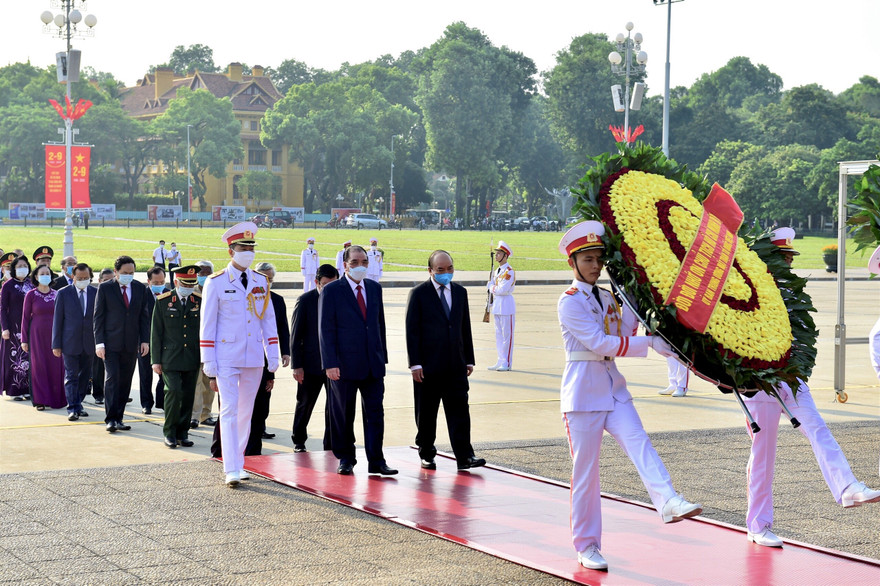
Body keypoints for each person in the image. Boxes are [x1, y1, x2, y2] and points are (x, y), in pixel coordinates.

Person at [557, 221, 702, 571]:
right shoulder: (569, 302)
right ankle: (587, 545)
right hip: (583, 396)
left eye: (599, 259)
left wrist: (635, 298)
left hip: (613, 389)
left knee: (640, 443)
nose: (595, 265)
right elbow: (600, 343)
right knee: (586, 474)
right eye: (588, 259)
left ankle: (667, 500)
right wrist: (649, 343)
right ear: (572, 263)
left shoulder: (607, 297)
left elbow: (621, 330)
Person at [742, 227, 880, 548]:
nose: (789, 263)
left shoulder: (792, 294)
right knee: (763, 454)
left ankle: (847, 487)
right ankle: (758, 525)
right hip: (758, 383)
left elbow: (802, 335)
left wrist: (798, 368)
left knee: (817, 428)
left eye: (790, 257)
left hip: (791, 379)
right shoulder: (748, 292)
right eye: (783, 257)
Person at [199, 222, 280, 487]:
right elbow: (207, 323)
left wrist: (273, 352)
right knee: (229, 409)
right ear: (231, 251)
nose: (248, 253)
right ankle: (231, 467)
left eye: (251, 248)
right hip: (226, 355)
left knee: (246, 411)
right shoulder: (216, 282)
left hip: (254, 355)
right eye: (243, 248)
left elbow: (268, 319)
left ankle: (239, 461)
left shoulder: (260, 281)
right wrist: (208, 359)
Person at [319, 245, 396, 476]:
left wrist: (382, 357)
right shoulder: (332, 290)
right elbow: (325, 329)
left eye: (364, 262)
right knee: (343, 414)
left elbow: (379, 324)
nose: (360, 266)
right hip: (343, 365)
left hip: (373, 363)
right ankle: (346, 458)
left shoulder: (374, 287)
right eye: (354, 262)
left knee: (375, 414)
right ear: (345, 265)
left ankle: (377, 460)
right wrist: (330, 363)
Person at [405, 250, 484, 471]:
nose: (446, 273)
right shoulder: (418, 294)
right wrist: (415, 364)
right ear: (430, 270)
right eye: (440, 269)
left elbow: (464, 327)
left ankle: (465, 456)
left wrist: (469, 359)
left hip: (456, 365)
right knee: (427, 413)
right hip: (428, 367)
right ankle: (426, 453)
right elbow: (412, 331)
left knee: (460, 412)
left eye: (450, 268)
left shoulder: (460, 292)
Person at [94, 255, 151, 433]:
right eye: (125, 272)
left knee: (125, 381)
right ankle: (111, 418)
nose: (129, 276)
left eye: (132, 273)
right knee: (112, 379)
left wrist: (144, 340)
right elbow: (98, 317)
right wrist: (99, 343)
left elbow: (144, 316)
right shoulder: (105, 288)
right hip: (110, 343)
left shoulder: (140, 288)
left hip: (131, 343)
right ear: (116, 271)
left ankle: (119, 417)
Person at [152, 266, 202, 449]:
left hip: (192, 356)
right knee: (173, 392)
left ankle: (183, 433)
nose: (188, 288)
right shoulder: (164, 301)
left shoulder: (199, 301)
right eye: (185, 284)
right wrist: (155, 360)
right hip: (170, 357)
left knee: (188, 396)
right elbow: (156, 332)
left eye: (191, 284)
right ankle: (169, 433)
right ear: (176, 282)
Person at [290, 263, 337, 452]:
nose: (329, 288)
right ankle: (299, 440)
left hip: (334, 364)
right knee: (305, 403)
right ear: (317, 282)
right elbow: (295, 335)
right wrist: (297, 365)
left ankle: (330, 444)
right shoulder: (306, 301)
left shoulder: (340, 299)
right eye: (325, 284)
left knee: (334, 407)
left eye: (333, 284)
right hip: (310, 365)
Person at [248, 262, 291, 448]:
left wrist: (286, 352)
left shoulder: (277, 300)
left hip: (268, 357)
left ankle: (260, 426)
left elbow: (283, 328)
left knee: (264, 395)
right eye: (264, 279)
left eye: (270, 279)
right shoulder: (247, 298)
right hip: (248, 355)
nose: (267, 283)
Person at [51, 263, 97, 421]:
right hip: (69, 342)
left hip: (90, 342)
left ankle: (78, 403)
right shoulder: (63, 293)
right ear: (73, 277)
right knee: (71, 375)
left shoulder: (95, 293)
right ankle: (72, 408)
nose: (83, 280)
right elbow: (57, 320)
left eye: (86, 278)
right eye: (80, 278)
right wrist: (56, 344)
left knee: (85, 376)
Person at [21, 265, 66, 411]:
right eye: (42, 273)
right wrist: (24, 340)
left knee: (56, 366)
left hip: (55, 335)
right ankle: (40, 400)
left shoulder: (57, 294)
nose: (45, 276)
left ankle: (55, 399)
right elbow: (25, 318)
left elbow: (63, 316)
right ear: (36, 277)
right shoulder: (31, 295)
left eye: (48, 273)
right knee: (39, 366)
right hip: (37, 336)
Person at [1, 255, 34, 401]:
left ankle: (28, 389)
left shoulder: (31, 283)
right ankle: (15, 390)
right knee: (15, 357)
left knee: (29, 357)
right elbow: (2, 308)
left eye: (25, 266)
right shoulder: (8, 285)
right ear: (13, 268)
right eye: (19, 266)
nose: (22, 269)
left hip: (30, 326)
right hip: (13, 326)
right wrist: (4, 328)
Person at [138, 266, 169, 414]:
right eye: (156, 282)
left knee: (164, 372)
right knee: (145, 374)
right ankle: (146, 403)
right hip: (145, 341)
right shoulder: (142, 295)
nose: (159, 285)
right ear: (149, 281)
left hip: (165, 342)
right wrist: (141, 341)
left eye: (162, 282)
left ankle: (162, 401)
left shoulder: (169, 294)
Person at [190, 260, 217, 429]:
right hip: (194, 344)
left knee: (209, 381)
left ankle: (206, 414)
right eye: (201, 273)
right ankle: (195, 416)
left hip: (212, 344)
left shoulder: (216, 290)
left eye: (207, 273)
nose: (204, 276)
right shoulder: (190, 293)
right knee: (196, 383)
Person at [487, 241, 516, 371]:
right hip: (497, 305)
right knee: (498, 335)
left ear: (505, 256)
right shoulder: (497, 270)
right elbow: (495, 289)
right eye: (497, 253)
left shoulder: (509, 271)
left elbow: (502, 290)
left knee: (507, 336)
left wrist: (491, 287)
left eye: (499, 253)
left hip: (506, 305)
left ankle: (507, 362)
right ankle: (500, 359)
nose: (497, 255)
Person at [89, 268, 115, 406]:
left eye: (111, 279)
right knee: (98, 366)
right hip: (98, 334)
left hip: (114, 334)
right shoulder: (94, 293)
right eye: (106, 280)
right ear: (99, 281)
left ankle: (115, 392)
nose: (109, 282)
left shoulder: (117, 293)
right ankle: (98, 393)